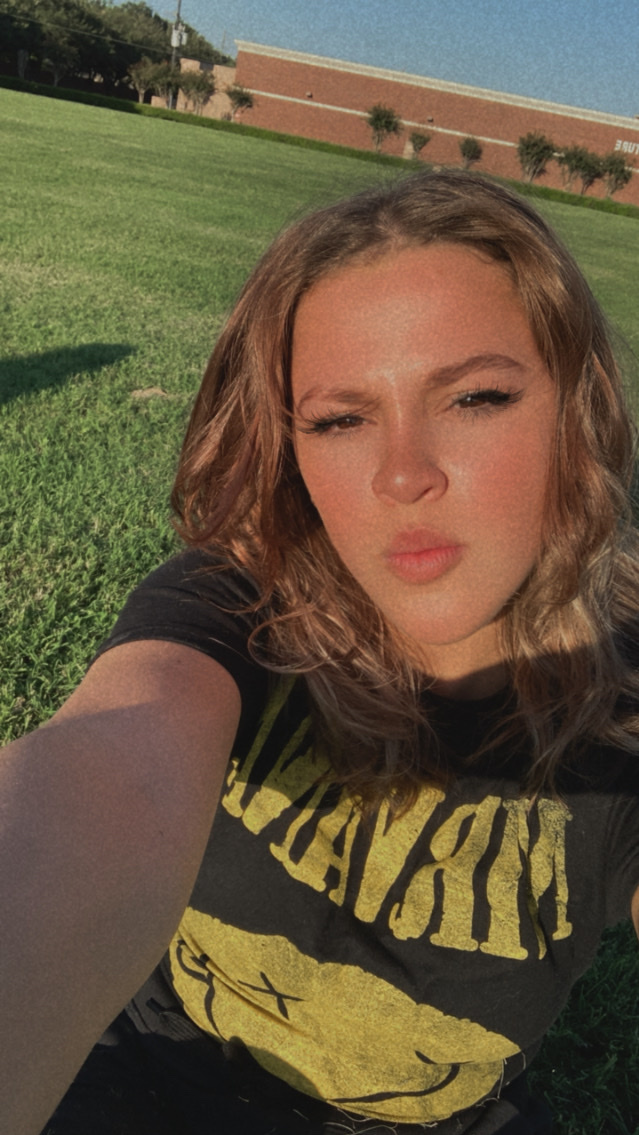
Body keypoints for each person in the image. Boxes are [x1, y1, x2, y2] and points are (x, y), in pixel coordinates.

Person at [3, 169, 639, 1135]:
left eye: (474, 397)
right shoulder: (238, 603)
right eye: (341, 418)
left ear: (577, 407)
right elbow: (104, 776)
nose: (401, 475)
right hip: (157, 1070)